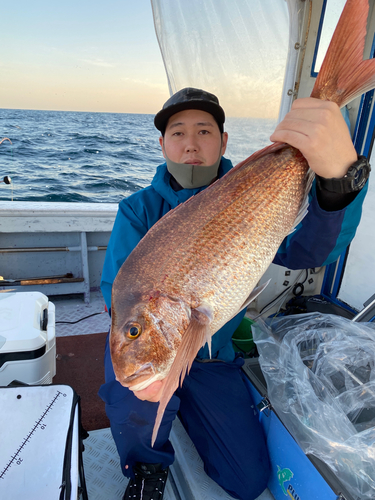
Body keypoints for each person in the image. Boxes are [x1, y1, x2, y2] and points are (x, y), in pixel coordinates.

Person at [99, 87, 369, 500]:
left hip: (212, 358)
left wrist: (338, 187)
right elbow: (119, 294)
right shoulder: (138, 209)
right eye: (178, 133)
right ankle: (147, 463)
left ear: (224, 141)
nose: (191, 143)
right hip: (160, 349)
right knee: (129, 395)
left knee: (245, 480)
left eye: (204, 131)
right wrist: (144, 345)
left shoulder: (253, 191)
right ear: (162, 144)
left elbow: (310, 252)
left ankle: (184, 404)